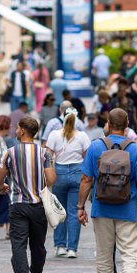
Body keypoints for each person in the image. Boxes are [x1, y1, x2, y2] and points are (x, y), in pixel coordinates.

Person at [77, 108, 137, 273]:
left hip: (101, 209)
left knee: (104, 254)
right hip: (127, 209)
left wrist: (81, 206)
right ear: (127, 124)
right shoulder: (135, 150)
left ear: (107, 124)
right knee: (129, 254)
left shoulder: (95, 148)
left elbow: (86, 180)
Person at [0, 117, 56, 273]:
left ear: (22, 131)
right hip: (38, 206)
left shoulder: (10, 152)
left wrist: (2, 186)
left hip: (17, 205)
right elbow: (51, 179)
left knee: (18, 243)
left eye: (17, 127)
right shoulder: (44, 154)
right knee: (38, 244)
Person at [46, 108, 90, 258]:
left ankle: (60, 246)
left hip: (60, 173)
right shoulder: (82, 136)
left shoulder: (54, 135)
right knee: (74, 211)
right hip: (77, 173)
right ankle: (72, 248)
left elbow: (47, 155)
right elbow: (86, 155)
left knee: (59, 210)